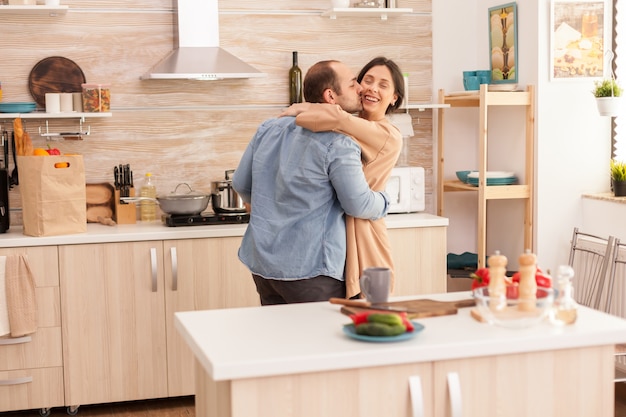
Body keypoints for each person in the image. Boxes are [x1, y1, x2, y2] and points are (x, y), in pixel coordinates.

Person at [232, 60, 390, 305]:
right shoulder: (339, 143)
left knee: (281, 343)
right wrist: (384, 200)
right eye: (352, 84)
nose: (360, 88)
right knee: (320, 342)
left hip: (264, 266)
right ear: (331, 96)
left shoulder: (268, 128)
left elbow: (241, 183)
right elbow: (357, 205)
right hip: (312, 270)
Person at [280, 56, 404, 299]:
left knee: (368, 315)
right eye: (367, 80)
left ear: (394, 98)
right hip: (336, 235)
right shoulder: (348, 126)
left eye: (383, 85)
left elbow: (335, 117)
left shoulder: (387, 134)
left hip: (365, 234)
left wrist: (298, 108)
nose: (372, 88)